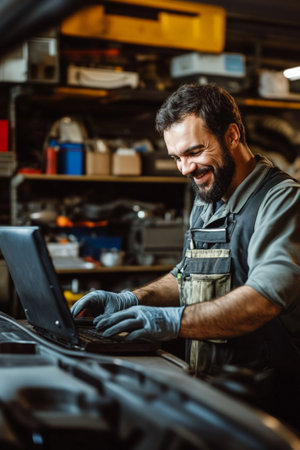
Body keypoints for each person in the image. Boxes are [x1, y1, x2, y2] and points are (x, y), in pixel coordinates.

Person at [72, 84, 300, 425]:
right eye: (176, 157)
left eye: (194, 152)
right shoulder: (209, 197)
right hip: (213, 393)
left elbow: (265, 298)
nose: (185, 169)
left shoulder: (281, 200)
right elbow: (187, 274)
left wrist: (171, 322)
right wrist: (131, 299)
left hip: (272, 405)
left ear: (233, 135)